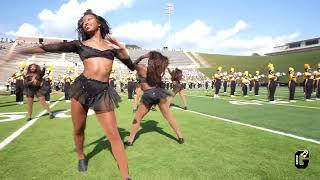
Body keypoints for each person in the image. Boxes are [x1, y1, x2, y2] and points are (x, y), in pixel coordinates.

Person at [5, 9, 133, 180]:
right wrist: (21, 52)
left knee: (114, 135)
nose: (85, 22)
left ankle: (126, 176)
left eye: (89, 19)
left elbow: (131, 67)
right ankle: (81, 156)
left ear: (99, 23)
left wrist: (124, 53)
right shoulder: (78, 44)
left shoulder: (113, 48)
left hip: (103, 91)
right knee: (79, 129)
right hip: (81, 88)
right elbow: (49, 48)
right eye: (83, 22)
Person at [124, 51, 184, 146]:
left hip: (148, 94)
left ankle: (130, 140)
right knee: (169, 116)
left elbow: (132, 65)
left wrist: (142, 57)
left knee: (138, 117)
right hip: (159, 93)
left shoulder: (142, 68)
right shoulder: (157, 70)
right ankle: (180, 137)